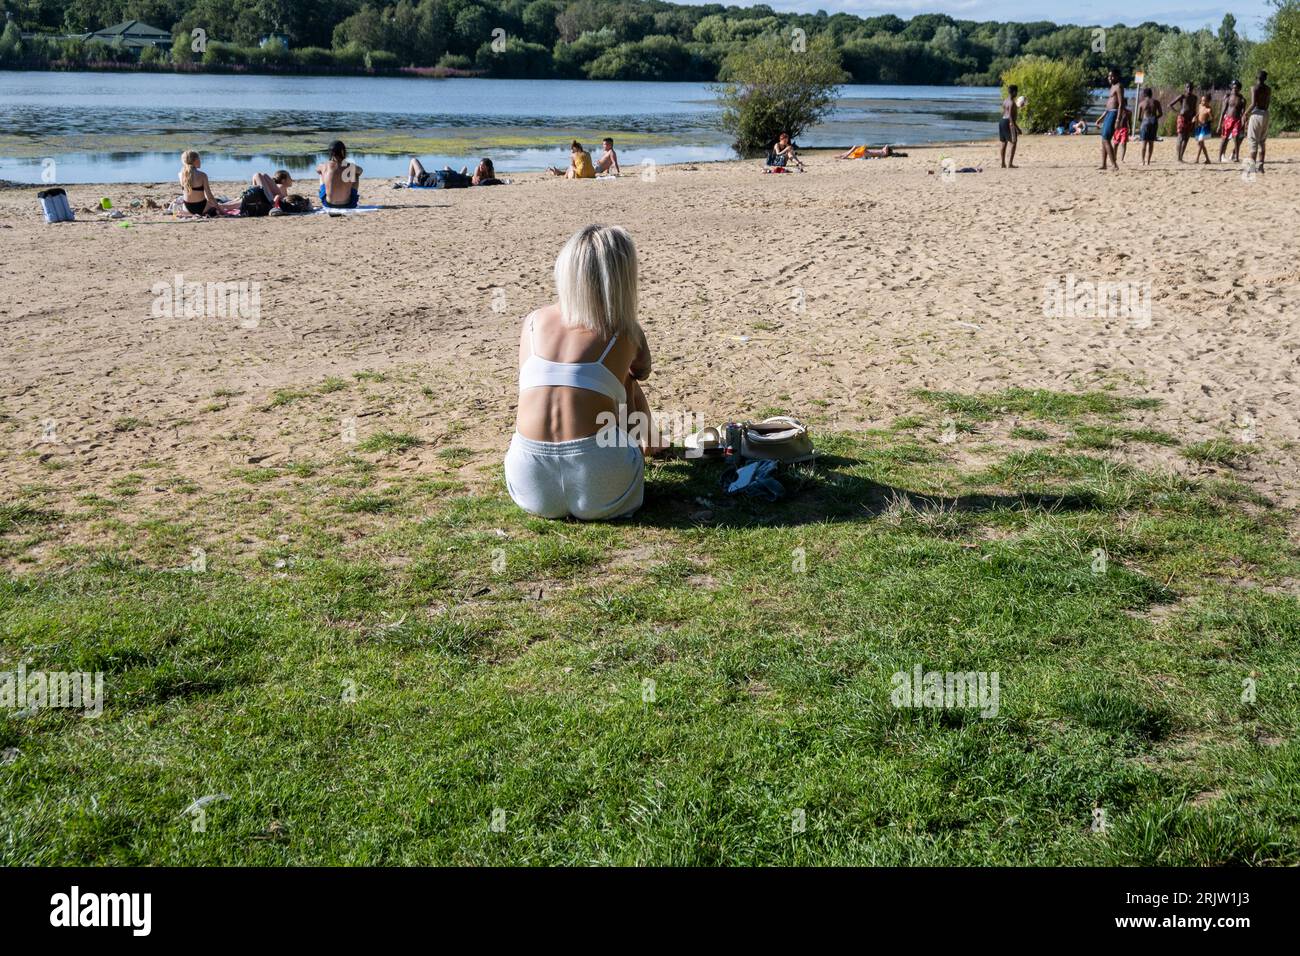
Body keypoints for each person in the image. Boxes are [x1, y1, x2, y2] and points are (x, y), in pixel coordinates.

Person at [504, 225, 655, 521]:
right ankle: (652, 442)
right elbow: (643, 371)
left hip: (531, 485)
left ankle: (649, 443)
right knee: (626, 377)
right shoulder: (624, 330)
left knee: (571, 384)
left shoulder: (533, 322)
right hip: (602, 485)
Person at [318, 140, 362, 208]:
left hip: (328, 204)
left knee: (321, 173)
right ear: (343, 152)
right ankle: (348, 194)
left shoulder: (324, 165)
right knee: (356, 174)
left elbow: (317, 170)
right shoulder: (350, 166)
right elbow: (360, 171)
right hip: (349, 204)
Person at [1095, 69, 1124, 171]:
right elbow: (1108, 106)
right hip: (1109, 113)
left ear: (1116, 76)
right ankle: (1104, 164)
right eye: (1108, 76)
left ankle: (1114, 165)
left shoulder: (1118, 86)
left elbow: (1121, 104)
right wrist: (1100, 119)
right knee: (1103, 140)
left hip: (1114, 113)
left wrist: (1118, 119)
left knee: (1106, 139)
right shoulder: (1112, 87)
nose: (1110, 78)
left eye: (1112, 76)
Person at [1246, 70, 1271, 173]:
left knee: (1253, 140)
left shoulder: (1254, 88)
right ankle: (1261, 166)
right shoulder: (1268, 89)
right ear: (1265, 79)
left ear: (1256, 78)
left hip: (1256, 114)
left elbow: (1253, 104)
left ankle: (1252, 167)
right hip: (1265, 114)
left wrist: (1245, 114)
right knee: (1262, 141)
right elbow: (1268, 103)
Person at [1218, 81, 1247, 164]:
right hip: (1227, 119)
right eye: (1233, 87)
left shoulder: (1242, 99)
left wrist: (1243, 122)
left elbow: (1243, 113)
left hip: (1237, 120)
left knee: (1236, 138)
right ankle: (1219, 157)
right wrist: (1220, 124)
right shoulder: (1228, 97)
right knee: (1224, 138)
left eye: (1236, 88)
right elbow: (1223, 111)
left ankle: (1236, 157)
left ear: (1239, 88)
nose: (1234, 89)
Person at [1168, 83, 1198, 162]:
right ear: (1185, 88)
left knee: (1186, 138)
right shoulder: (1182, 96)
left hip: (1190, 119)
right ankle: (1178, 157)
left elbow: (1194, 109)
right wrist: (1178, 112)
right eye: (1187, 87)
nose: (1189, 89)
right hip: (1182, 118)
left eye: (1190, 87)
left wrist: (1194, 119)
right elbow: (1170, 105)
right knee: (1180, 137)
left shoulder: (1194, 98)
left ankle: (1181, 157)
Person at [1135, 88, 1162, 166]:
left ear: (1144, 94)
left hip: (1145, 122)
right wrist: (1154, 118)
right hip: (1154, 122)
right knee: (1151, 142)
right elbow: (1160, 114)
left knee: (1144, 142)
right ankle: (1148, 161)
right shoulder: (1156, 102)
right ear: (1151, 94)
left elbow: (1138, 118)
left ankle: (1142, 161)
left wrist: (1143, 121)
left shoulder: (1142, 103)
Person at [999, 85, 1022, 168]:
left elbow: (1004, 112)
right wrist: (1017, 128)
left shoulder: (1005, 101)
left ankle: (1002, 163)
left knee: (1003, 143)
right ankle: (1010, 164)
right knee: (1014, 142)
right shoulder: (1012, 102)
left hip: (1002, 121)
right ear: (1014, 92)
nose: (1017, 93)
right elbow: (1011, 117)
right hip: (1009, 122)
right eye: (1017, 91)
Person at [1193, 94, 1215, 164]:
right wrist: (1195, 117)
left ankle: (1197, 159)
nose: (1203, 102)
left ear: (1208, 101)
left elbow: (1212, 119)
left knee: (1200, 142)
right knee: (1201, 144)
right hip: (1199, 126)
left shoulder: (1209, 109)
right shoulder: (1200, 106)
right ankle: (1208, 159)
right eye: (1202, 100)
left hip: (1204, 127)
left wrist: (1209, 114)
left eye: (1205, 101)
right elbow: (1199, 113)